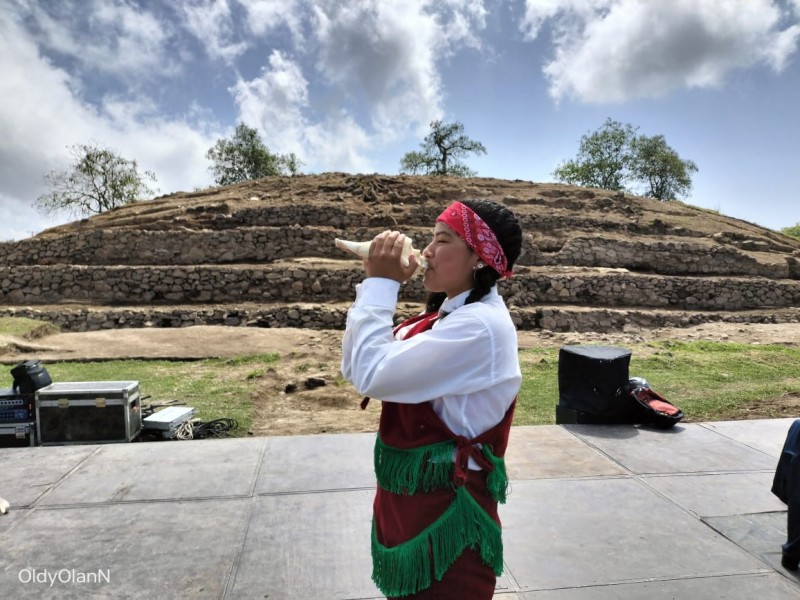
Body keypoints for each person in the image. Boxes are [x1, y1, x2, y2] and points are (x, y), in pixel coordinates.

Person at [341, 199, 523, 599]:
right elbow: (357, 369)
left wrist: (381, 285)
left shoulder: (479, 326)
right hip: (414, 506)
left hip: (447, 515)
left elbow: (371, 375)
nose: (426, 251)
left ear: (478, 257)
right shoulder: (444, 316)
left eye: (442, 240)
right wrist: (373, 284)